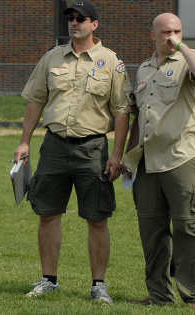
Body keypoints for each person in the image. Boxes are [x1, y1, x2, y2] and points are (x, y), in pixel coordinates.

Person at [13, 0, 131, 303]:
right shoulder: (52, 58)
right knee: (48, 214)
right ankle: (49, 279)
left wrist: (117, 154)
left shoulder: (111, 61)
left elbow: (121, 111)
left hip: (93, 148)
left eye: (81, 19)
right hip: (54, 145)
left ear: (95, 24)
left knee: (97, 217)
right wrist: (25, 141)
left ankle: (98, 285)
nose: (74, 23)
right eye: (70, 18)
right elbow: (35, 101)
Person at [124, 13, 195, 310]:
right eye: (165, 32)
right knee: (151, 230)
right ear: (152, 35)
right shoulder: (143, 69)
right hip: (147, 161)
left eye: (177, 30)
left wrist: (183, 47)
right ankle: (158, 295)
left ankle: (191, 294)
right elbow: (139, 116)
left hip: (181, 157)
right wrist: (126, 156)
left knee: (187, 227)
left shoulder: (186, 62)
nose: (171, 36)